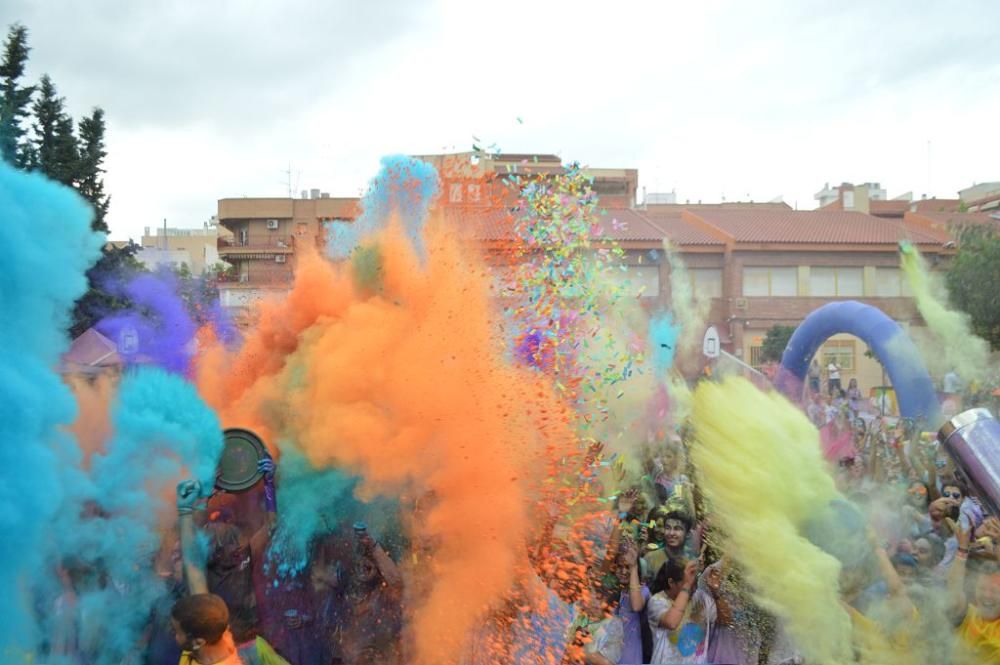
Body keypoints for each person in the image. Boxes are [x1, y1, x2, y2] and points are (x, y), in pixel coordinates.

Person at [176, 480, 289, 665]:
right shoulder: (207, 574)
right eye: (217, 524)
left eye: (226, 522)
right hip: (221, 648)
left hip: (246, 641)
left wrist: (269, 484)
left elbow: (271, 524)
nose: (226, 528)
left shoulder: (245, 553)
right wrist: (186, 513)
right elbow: (193, 564)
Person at [647, 558, 714, 663]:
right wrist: (687, 585)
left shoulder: (702, 599)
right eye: (690, 582)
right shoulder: (657, 601)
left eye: (695, 581)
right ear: (671, 582)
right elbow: (671, 622)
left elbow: (726, 621)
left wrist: (717, 593)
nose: (694, 587)